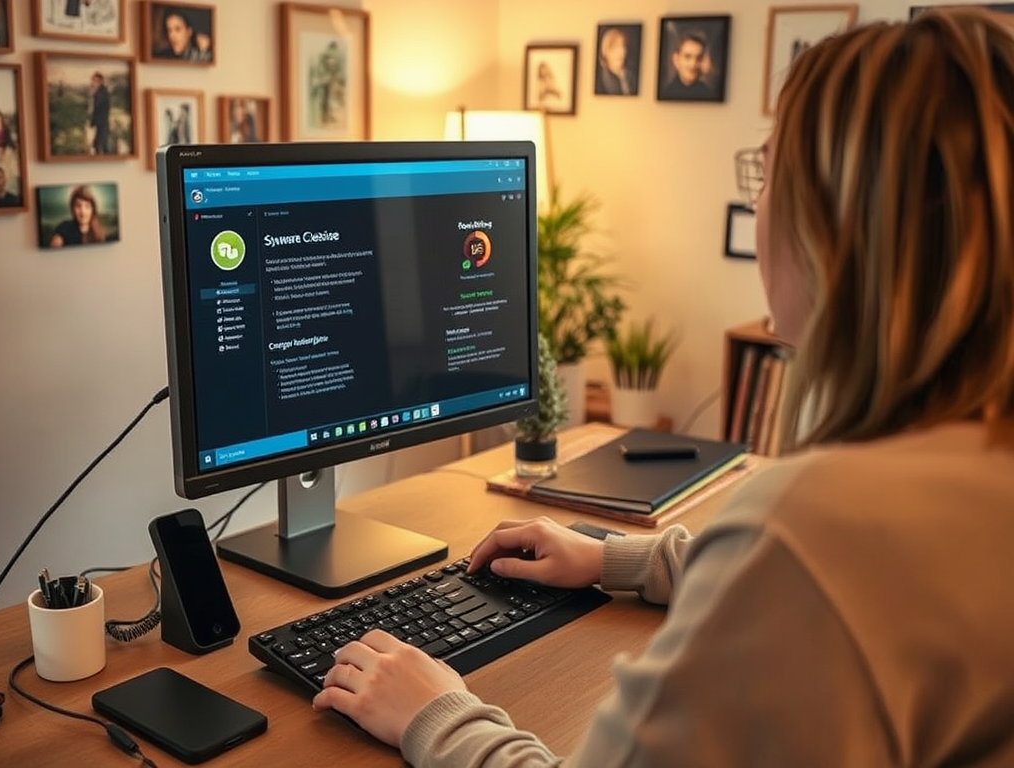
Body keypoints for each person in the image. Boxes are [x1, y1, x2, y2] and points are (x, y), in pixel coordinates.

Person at [311, 8, 1014, 766]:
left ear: (838, 227)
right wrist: (617, 558)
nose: (758, 200)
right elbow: (833, 581)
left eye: (769, 171)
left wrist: (435, 712)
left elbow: (802, 567)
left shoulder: (812, 529)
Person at [659, 29, 712, 99]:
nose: (693, 64)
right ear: (676, 60)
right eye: (687, 57)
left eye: (698, 58)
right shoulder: (667, 92)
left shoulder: (708, 93)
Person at [595, 27, 636, 96]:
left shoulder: (630, 74)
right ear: (607, 51)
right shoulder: (602, 81)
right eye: (616, 47)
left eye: (623, 46)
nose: (622, 52)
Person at [87, 72, 110, 155]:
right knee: (99, 144)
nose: (93, 83)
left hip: (101, 122)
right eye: (93, 80)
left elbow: (98, 109)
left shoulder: (101, 93)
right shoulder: (100, 92)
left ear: (100, 81)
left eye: (95, 81)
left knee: (100, 145)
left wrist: (92, 122)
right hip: (101, 122)